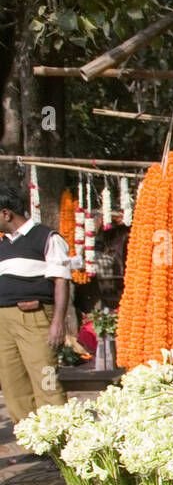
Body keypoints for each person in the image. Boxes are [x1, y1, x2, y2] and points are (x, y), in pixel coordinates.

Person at [0, 180, 69, 425]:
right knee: (12, 383)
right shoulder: (3, 245)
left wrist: (58, 323)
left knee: (46, 380)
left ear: (6, 213)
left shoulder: (46, 237)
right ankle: (32, 444)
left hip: (35, 318)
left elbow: (61, 281)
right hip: (4, 324)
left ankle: (60, 443)